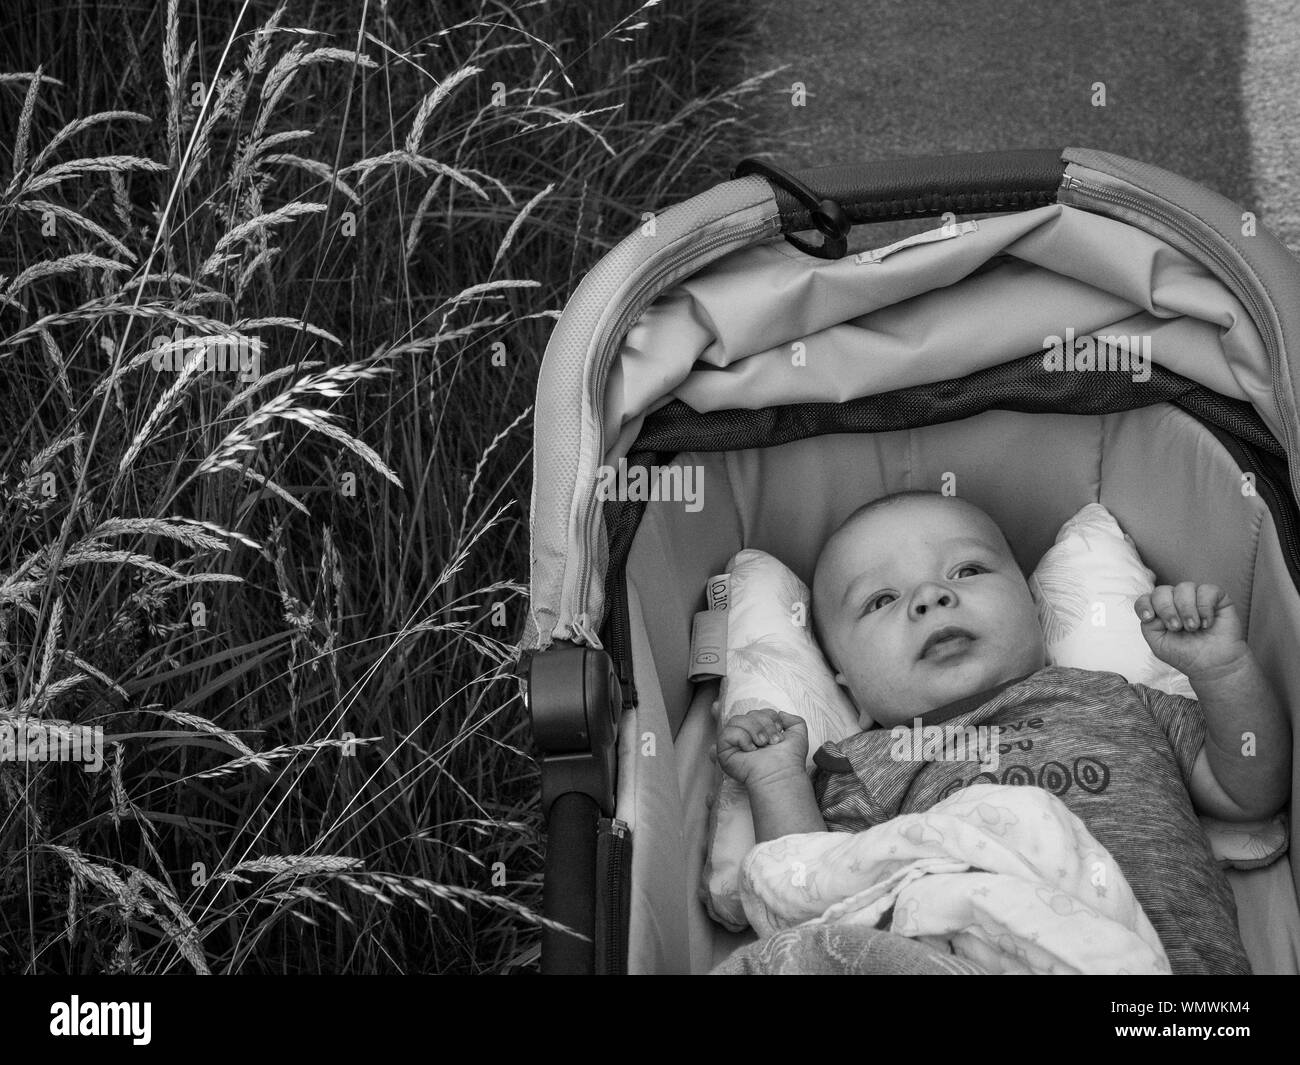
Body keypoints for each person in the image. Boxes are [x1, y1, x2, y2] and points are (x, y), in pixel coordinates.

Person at [714, 490, 1291, 974]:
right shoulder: (863, 762)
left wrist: (1222, 672)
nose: (931, 598)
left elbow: (1248, 793)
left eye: (966, 571)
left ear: (1032, 605)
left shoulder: (1111, 697)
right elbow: (809, 888)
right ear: (844, 677)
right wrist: (776, 778)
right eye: (881, 600)